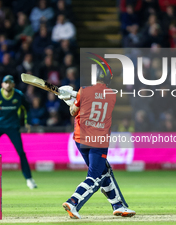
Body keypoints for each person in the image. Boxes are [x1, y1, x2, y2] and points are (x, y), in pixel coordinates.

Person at [57, 64, 136, 219]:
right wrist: (74, 97)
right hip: (98, 140)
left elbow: (74, 111)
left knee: (104, 172)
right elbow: (96, 101)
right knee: (95, 176)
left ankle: (118, 206)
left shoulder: (83, 91)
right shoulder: (112, 94)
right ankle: (73, 201)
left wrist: (70, 100)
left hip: (80, 139)